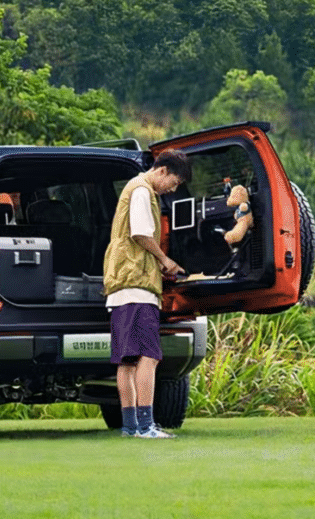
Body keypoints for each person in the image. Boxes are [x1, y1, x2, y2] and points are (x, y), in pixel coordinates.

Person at [103, 149, 191, 439]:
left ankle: (131, 426)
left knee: (127, 360)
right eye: (174, 183)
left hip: (121, 286)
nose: (172, 190)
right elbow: (141, 234)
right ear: (162, 171)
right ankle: (146, 425)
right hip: (137, 286)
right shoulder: (142, 190)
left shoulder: (132, 189)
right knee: (149, 356)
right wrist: (165, 261)